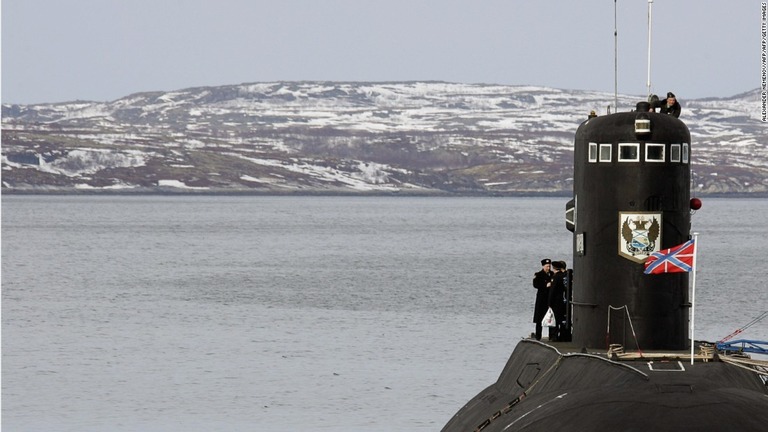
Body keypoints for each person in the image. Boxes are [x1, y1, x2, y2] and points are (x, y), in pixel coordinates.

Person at [532, 258, 553, 341]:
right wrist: (545, 285)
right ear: (543, 266)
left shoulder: (552, 274)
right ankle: (538, 336)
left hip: (550, 299)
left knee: (551, 319)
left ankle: (551, 336)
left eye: (549, 266)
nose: (548, 268)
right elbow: (535, 284)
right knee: (539, 319)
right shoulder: (539, 275)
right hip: (541, 300)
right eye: (547, 266)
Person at [549, 261, 568, 342]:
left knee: (555, 319)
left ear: (554, 268)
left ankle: (554, 336)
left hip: (556, 302)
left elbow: (552, 291)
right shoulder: (565, 276)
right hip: (564, 301)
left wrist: (549, 303)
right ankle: (564, 336)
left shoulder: (556, 277)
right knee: (563, 319)